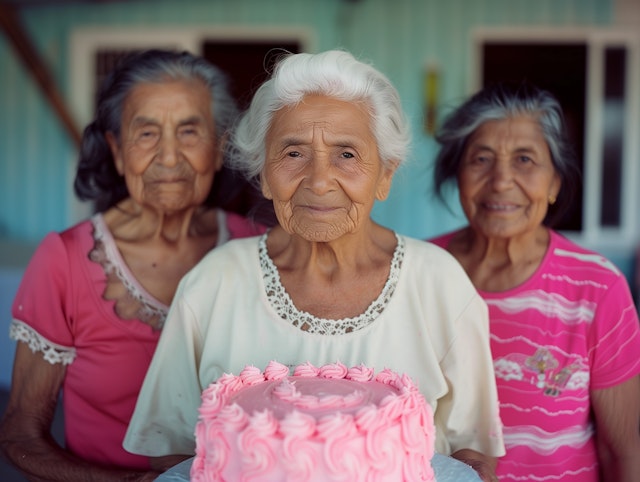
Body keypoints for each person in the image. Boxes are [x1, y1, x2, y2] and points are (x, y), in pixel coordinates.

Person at [123, 49, 505, 481]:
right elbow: (170, 452)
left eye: (346, 154)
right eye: (292, 153)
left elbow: (473, 455)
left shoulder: (440, 285)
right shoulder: (214, 284)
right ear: (264, 173)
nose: (319, 180)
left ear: (384, 174)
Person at [0, 49, 267, 482]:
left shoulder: (256, 247)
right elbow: (20, 435)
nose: (168, 157)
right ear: (118, 151)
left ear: (218, 149)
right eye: (146, 134)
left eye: (189, 131)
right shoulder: (65, 260)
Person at [429, 81, 640, 481]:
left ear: (555, 182)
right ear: (458, 174)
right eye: (481, 159)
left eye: (525, 159)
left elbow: (622, 451)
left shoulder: (597, 288)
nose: (501, 180)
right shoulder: (419, 272)